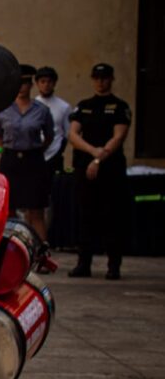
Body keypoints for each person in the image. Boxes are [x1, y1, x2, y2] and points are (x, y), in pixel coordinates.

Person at [67, 63, 132, 280]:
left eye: (104, 78)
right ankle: (83, 264)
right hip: (84, 167)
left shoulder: (119, 106)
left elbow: (118, 136)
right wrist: (91, 151)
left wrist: (98, 158)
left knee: (112, 216)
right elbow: (73, 135)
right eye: (96, 78)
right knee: (85, 215)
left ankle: (114, 266)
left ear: (111, 79)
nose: (100, 82)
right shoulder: (84, 106)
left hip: (110, 169)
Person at [0, 64, 54, 248]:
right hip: (10, 160)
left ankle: (42, 252)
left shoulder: (41, 110)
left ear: (31, 85)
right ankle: (6, 249)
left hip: (33, 160)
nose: (22, 87)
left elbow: (49, 136)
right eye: (18, 83)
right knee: (8, 209)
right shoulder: (5, 108)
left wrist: (36, 150)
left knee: (36, 210)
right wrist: (5, 149)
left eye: (26, 82)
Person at [34, 66, 70, 173]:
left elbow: (68, 133)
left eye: (49, 82)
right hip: (34, 156)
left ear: (54, 83)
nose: (46, 85)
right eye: (43, 81)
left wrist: (60, 150)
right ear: (37, 84)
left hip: (54, 155)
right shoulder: (32, 106)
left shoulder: (64, 107)